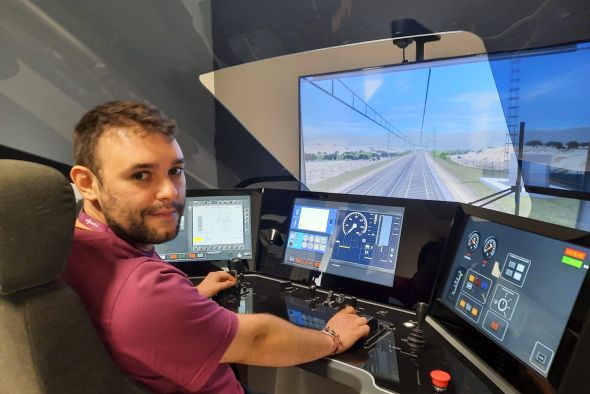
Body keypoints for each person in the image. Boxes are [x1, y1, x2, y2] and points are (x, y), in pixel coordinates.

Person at [63, 100, 369, 394]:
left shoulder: (72, 246)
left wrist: (190, 297)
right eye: (140, 175)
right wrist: (332, 337)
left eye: (175, 171)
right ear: (87, 183)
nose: (169, 192)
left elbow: (142, 320)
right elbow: (257, 339)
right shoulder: (145, 292)